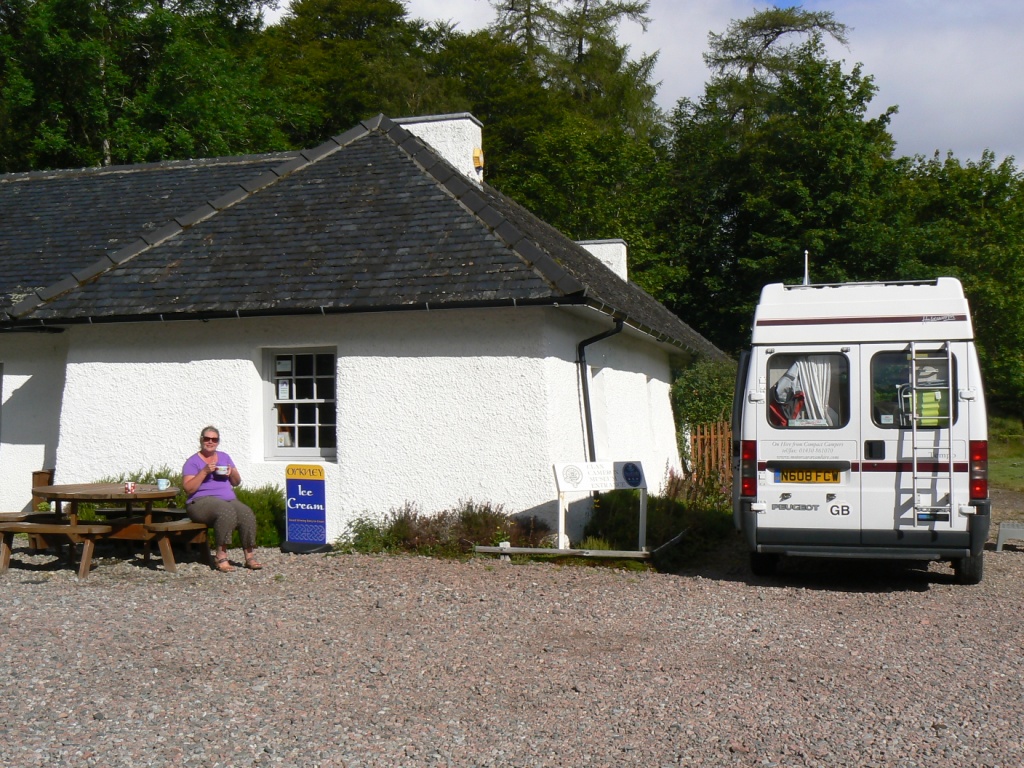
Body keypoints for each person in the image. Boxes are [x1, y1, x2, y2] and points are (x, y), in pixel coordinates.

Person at [182, 426, 263, 572]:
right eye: (207, 439)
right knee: (225, 511)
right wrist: (204, 472)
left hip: (227, 499)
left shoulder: (224, 457)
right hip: (200, 502)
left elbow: (237, 482)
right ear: (201, 440)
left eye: (214, 439)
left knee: (246, 513)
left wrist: (231, 473)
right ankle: (221, 556)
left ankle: (249, 556)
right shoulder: (192, 462)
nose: (210, 442)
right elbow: (188, 488)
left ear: (218, 442)